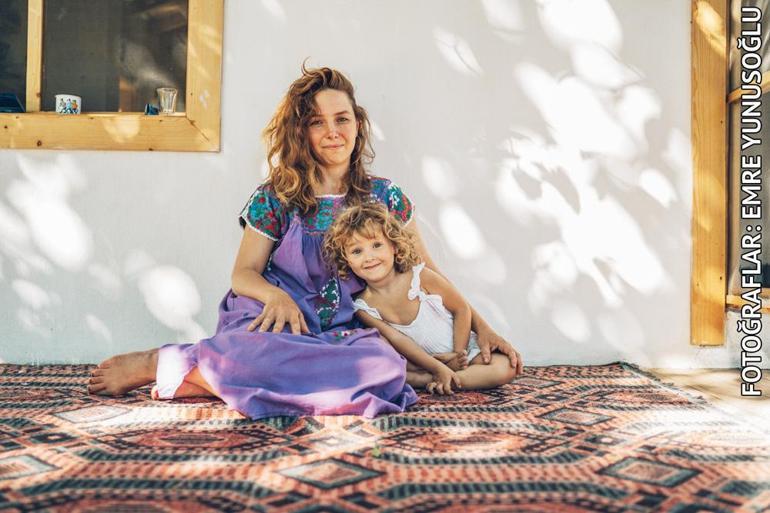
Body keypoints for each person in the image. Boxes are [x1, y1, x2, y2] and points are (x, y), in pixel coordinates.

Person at [86, 64, 523, 418]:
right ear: (301, 132)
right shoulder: (276, 196)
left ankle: (213, 375)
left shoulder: (386, 197)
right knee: (256, 355)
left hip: (348, 333)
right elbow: (243, 274)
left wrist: (485, 328)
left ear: (358, 125)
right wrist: (275, 297)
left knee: (383, 367)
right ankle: (164, 362)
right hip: (279, 324)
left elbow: (428, 274)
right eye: (317, 122)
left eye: (342, 119)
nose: (332, 131)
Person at [324, 203, 517, 395]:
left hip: (463, 351)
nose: (369, 257)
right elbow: (398, 339)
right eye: (357, 251)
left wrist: (458, 355)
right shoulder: (363, 307)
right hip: (421, 364)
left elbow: (461, 309)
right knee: (381, 357)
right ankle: (433, 377)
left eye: (376, 245)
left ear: (393, 246)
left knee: (506, 367)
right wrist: (436, 366)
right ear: (346, 259)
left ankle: (446, 380)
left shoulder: (420, 276)